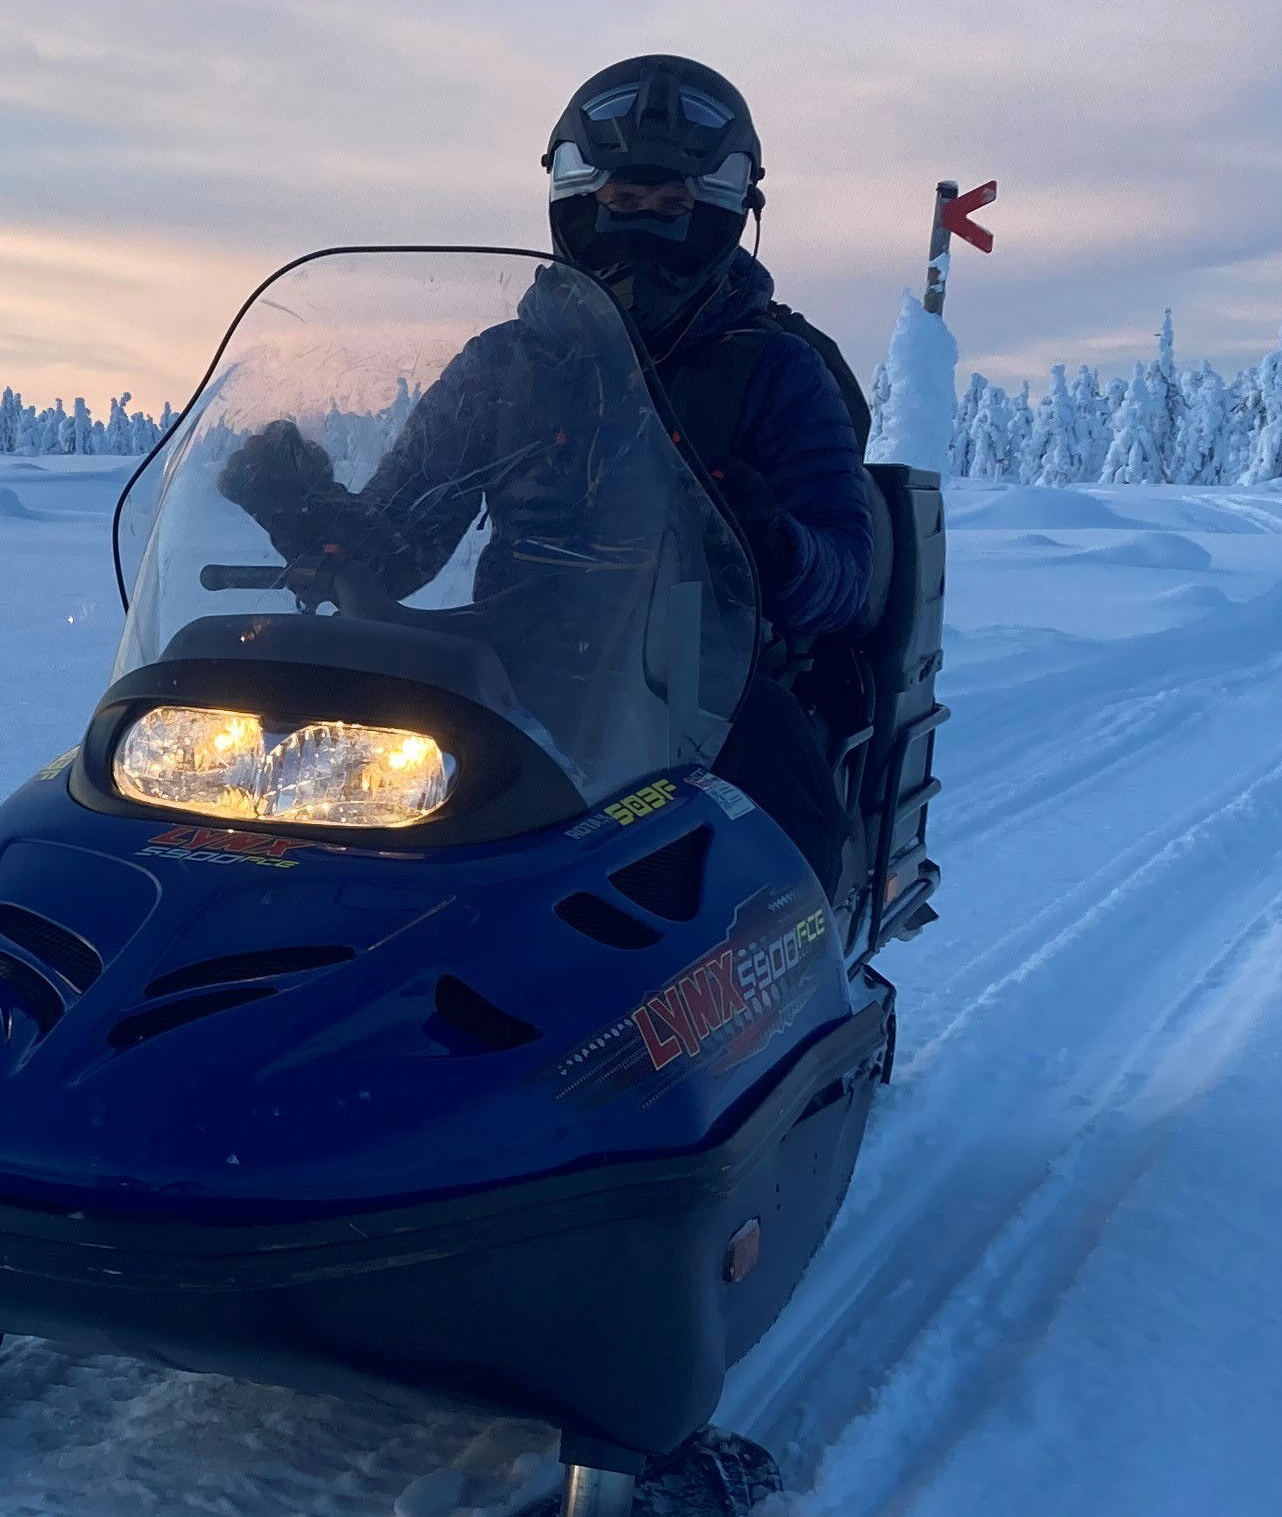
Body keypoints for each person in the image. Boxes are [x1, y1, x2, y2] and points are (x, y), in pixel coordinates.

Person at [218, 54, 877, 892]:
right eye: (621, 206)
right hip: (506, 660)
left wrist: (774, 544)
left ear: (721, 216)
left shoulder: (778, 370)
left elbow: (847, 581)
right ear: (577, 208)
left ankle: (801, 954)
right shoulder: (503, 365)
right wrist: (304, 508)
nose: (641, 236)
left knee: (779, 845)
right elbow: (401, 544)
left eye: (671, 210)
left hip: (703, 684)